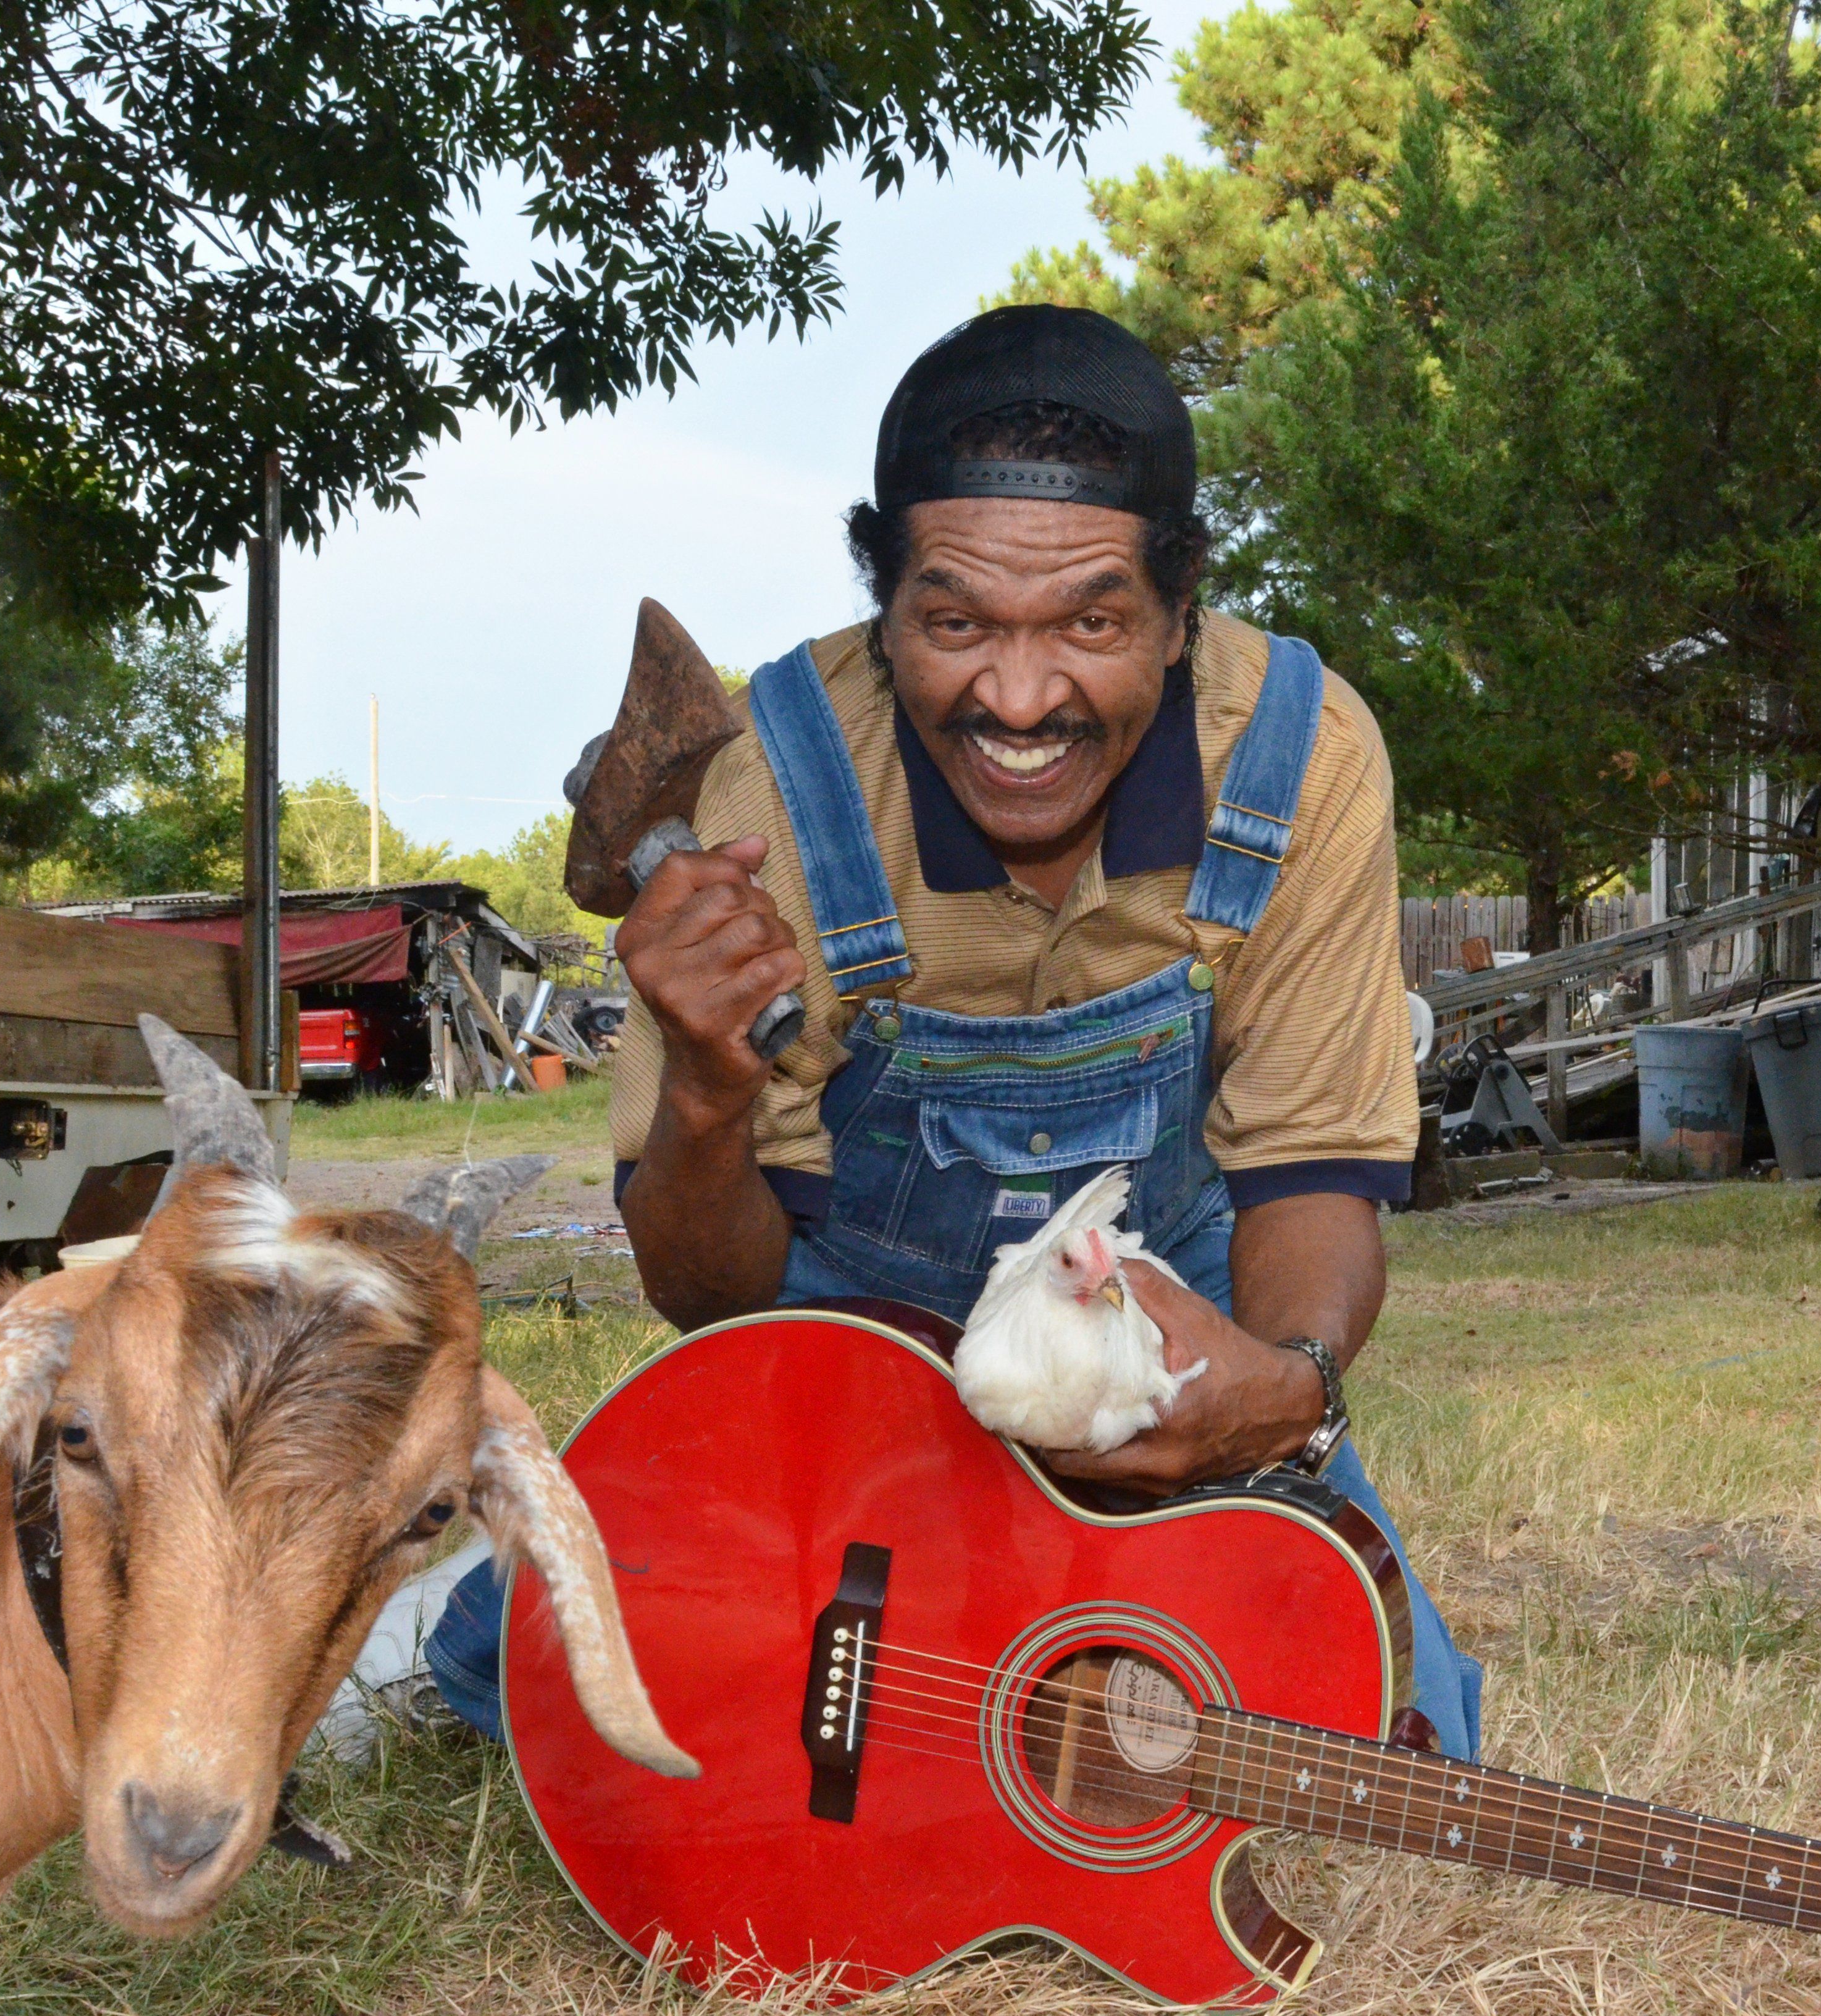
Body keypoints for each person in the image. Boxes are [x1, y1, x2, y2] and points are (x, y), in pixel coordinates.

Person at [429, 304, 1481, 1757]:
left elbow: (1309, 1170)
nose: (1021, 697)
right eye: (956, 622)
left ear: (1179, 615)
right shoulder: (773, 787)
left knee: (1384, 1737)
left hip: (1157, 1342)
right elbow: (710, 1302)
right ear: (885, 610)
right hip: (839, 1345)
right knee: (591, 1703)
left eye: (1093, 624)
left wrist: (1275, 1391)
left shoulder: (1301, 757)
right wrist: (708, 1103)